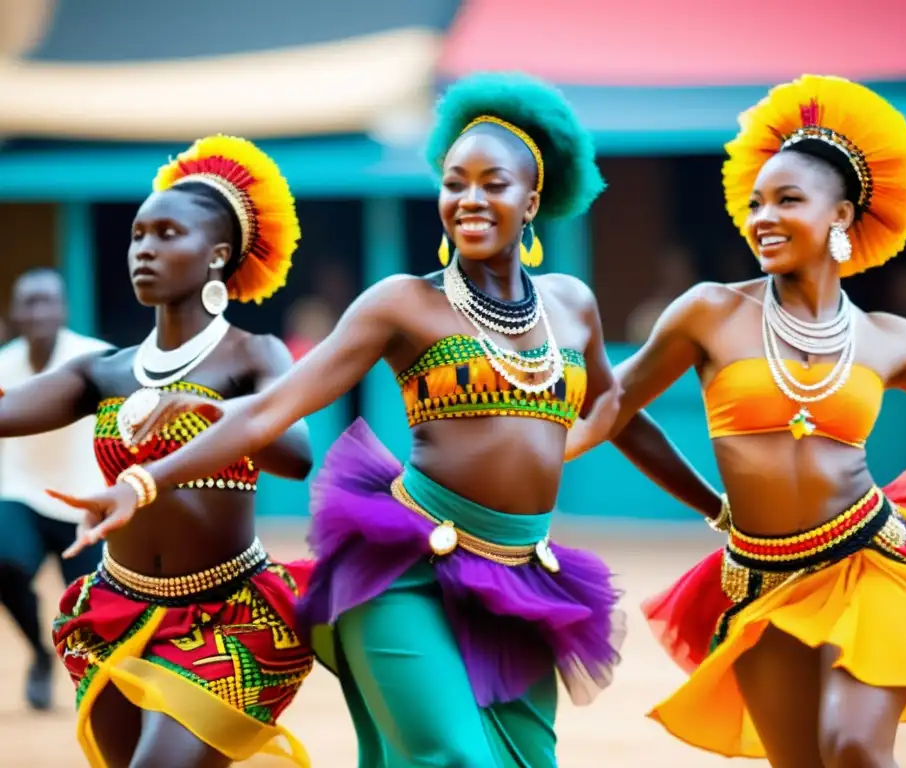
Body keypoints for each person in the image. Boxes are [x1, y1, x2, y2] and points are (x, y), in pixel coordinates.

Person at [52, 72, 721, 767]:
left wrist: (720, 512)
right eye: (454, 182)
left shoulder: (572, 304)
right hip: (407, 570)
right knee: (454, 758)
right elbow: (272, 410)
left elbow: (617, 412)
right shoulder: (402, 303)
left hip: (524, 580)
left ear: (533, 200)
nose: (469, 199)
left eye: (493, 183)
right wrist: (142, 484)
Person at [566, 75, 906, 765]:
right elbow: (612, 409)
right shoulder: (709, 312)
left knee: (853, 746)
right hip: (760, 577)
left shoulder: (891, 340)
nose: (762, 218)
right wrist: (544, 461)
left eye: (788, 200)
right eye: (755, 203)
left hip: (873, 561)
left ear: (840, 216)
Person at [1, 135, 317, 767]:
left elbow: (295, 454)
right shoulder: (105, 372)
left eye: (168, 234)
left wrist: (216, 412)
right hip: (118, 613)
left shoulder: (254, 356)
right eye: (138, 235)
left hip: (228, 620)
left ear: (217, 256)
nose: (144, 248)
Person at [0, 268, 111, 711]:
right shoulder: (4, 363)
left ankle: (100, 689)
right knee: (4, 563)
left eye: (48, 300)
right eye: (29, 302)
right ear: (14, 312)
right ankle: (40, 655)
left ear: (64, 309)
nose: (38, 311)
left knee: (94, 609)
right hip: (20, 492)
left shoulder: (96, 358)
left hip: (83, 501)